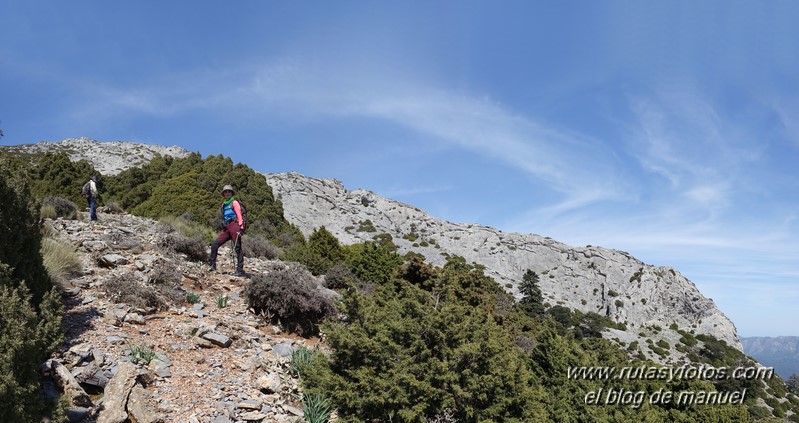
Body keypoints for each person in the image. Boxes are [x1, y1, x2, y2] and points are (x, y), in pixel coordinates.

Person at [209, 185, 246, 276]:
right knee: (215, 244)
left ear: (231, 193)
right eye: (225, 192)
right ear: (223, 194)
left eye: (229, 191)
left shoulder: (234, 202)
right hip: (227, 227)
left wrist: (241, 229)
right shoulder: (224, 204)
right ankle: (212, 266)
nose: (227, 193)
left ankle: (240, 270)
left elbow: (239, 215)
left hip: (234, 226)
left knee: (237, 248)